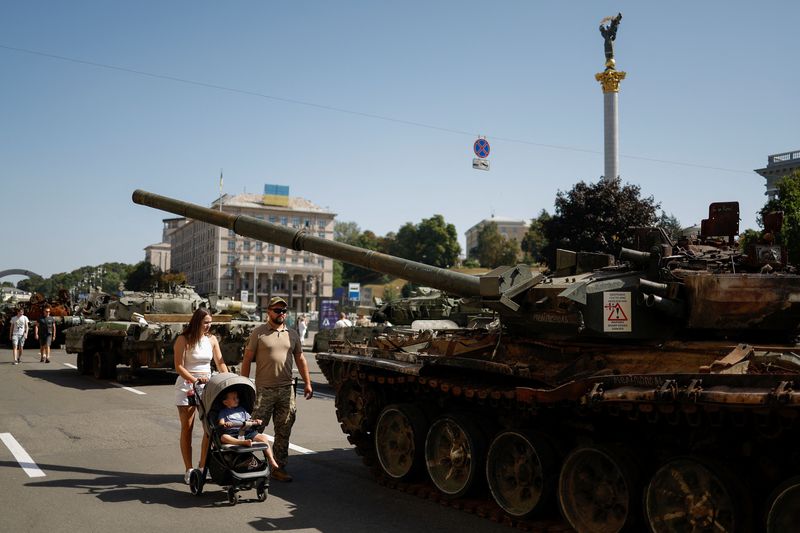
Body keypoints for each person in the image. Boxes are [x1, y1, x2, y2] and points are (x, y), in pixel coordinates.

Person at [242, 296, 313, 482]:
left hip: (286, 390)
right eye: (277, 310)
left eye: (283, 311)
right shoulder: (259, 333)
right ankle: (246, 462)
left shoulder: (293, 334)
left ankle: (279, 468)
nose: (281, 314)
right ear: (269, 312)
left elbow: (301, 359)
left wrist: (308, 383)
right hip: (264, 390)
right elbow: (247, 359)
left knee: (284, 430)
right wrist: (243, 383)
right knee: (253, 429)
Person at [174, 307, 229, 484]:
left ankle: (203, 465)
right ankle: (189, 469)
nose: (209, 326)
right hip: (187, 386)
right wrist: (194, 380)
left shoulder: (212, 339)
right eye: (205, 322)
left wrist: (228, 380)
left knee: (210, 429)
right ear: (197, 322)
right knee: (187, 428)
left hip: (207, 387)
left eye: (210, 322)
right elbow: (179, 366)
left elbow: (220, 363)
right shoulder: (183, 339)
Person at [217, 390, 280, 471]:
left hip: (246, 431)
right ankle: (242, 442)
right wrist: (226, 424)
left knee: (263, 437)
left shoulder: (242, 410)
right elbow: (221, 423)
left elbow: (249, 420)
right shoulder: (223, 412)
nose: (237, 400)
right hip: (232, 433)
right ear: (225, 402)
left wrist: (256, 421)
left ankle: (271, 459)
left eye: (237, 398)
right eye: (234, 398)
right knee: (223, 437)